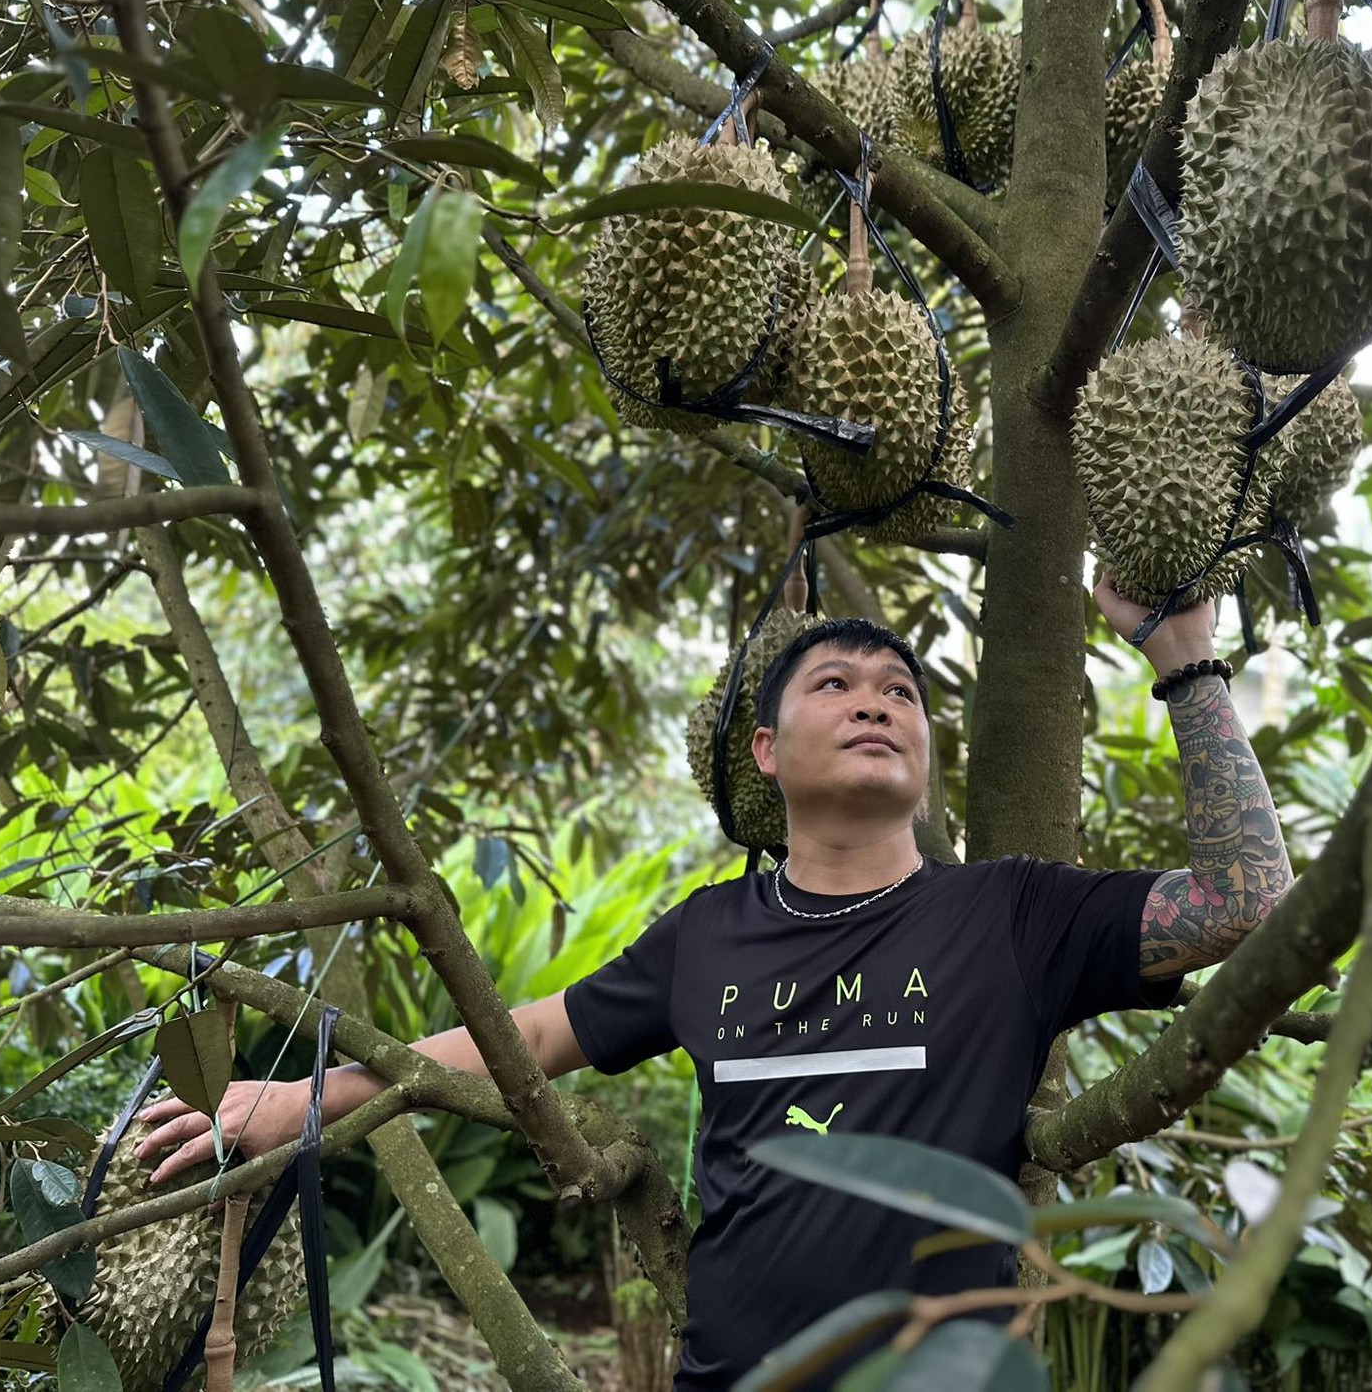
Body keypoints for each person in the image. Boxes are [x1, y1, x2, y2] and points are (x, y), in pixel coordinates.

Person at [132, 579, 1293, 1388]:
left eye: (899, 690)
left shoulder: (1014, 914)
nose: (876, 700)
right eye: (834, 684)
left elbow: (1246, 901)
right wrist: (295, 1104)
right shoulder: (706, 937)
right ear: (765, 753)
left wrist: (1184, 659)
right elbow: (526, 1037)